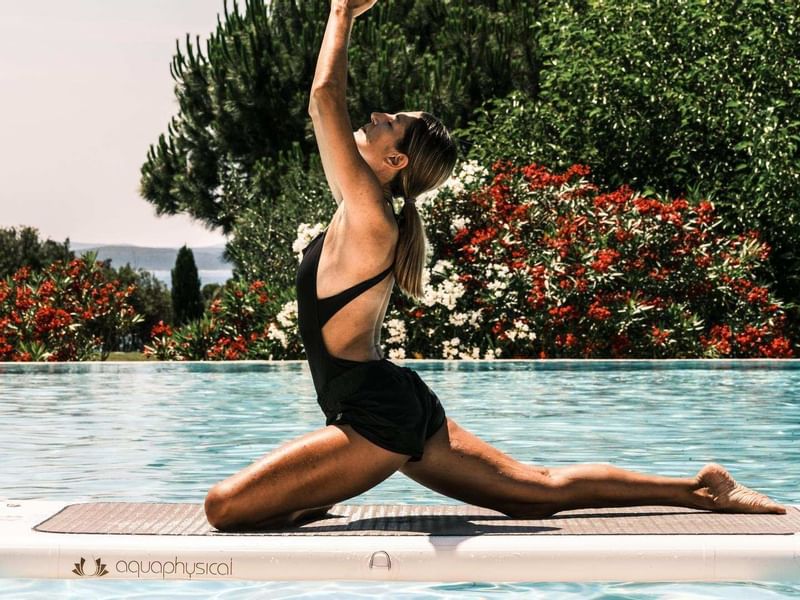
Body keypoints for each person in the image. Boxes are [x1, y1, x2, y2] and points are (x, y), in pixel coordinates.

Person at [203, 0, 786, 531]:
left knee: (224, 508)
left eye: (389, 124)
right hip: (384, 401)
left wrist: (341, 13)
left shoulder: (373, 216)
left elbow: (322, 99)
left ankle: (317, 489)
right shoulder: (366, 210)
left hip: (374, 418)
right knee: (533, 494)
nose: (376, 115)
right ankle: (699, 489)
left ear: (395, 159)